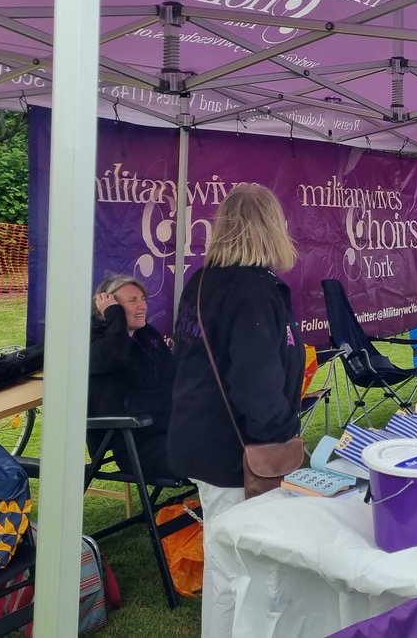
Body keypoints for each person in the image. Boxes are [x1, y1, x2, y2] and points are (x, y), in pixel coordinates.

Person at [166, 183, 304, 637]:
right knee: (244, 570)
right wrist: (282, 440)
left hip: (203, 440)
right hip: (237, 451)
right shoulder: (250, 291)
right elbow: (255, 381)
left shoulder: (202, 280)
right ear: (270, 228)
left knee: (224, 560)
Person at [89, 274, 177, 478]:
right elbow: (116, 356)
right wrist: (115, 316)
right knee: (215, 461)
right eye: (132, 301)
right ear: (108, 307)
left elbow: (172, 374)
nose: (142, 306)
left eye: (143, 299)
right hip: (137, 445)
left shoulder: (147, 335)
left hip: (172, 430)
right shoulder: (95, 345)